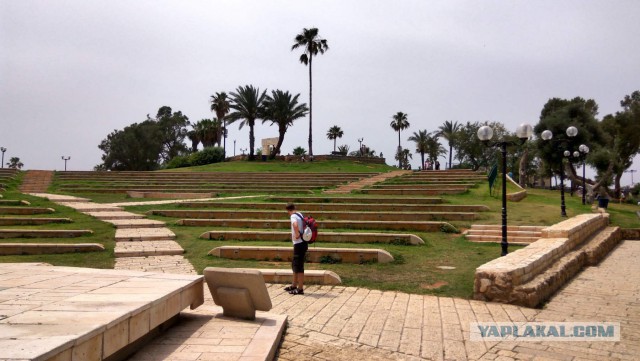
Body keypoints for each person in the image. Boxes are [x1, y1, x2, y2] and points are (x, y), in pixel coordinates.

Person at [285, 203, 307, 295]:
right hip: (303, 242)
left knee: (299, 266)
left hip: (299, 243)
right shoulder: (300, 214)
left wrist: (297, 234)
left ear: (288, 210)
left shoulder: (293, 216)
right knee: (295, 264)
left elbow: (295, 224)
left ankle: (300, 288)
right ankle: (294, 285)